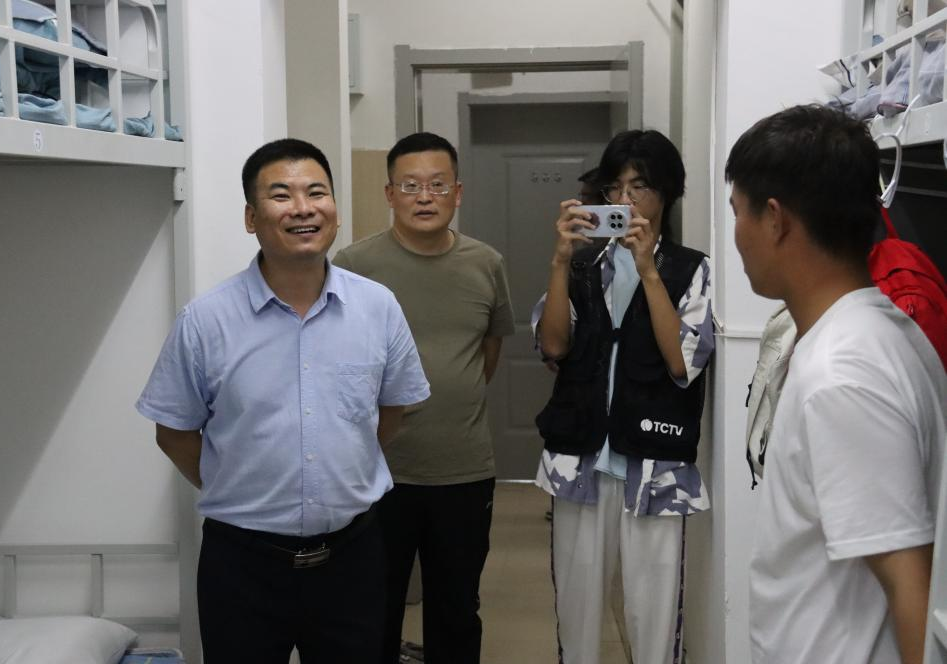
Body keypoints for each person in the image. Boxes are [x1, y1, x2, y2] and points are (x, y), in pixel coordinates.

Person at [135, 138, 431, 664]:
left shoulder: (377, 307)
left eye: (316, 192)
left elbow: (391, 413)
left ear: (335, 208)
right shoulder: (206, 320)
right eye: (281, 195)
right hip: (241, 565)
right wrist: (241, 482)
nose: (302, 208)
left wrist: (340, 468)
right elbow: (174, 432)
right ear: (252, 218)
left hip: (352, 559)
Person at [726, 104, 946, 664]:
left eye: (737, 212)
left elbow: (911, 584)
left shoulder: (843, 375)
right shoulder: (867, 331)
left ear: (774, 219)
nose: (736, 234)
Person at [333, 131, 515, 664]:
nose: (425, 197)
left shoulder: (486, 263)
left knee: (456, 607)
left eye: (437, 185)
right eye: (410, 186)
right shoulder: (353, 265)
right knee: (373, 606)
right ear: (390, 194)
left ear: (458, 192)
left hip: (463, 470)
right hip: (378, 472)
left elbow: (487, 354)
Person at [534, 130, 714, 664]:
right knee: (577, 611)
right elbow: (553, 346)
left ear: (667, 193)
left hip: (656, 464)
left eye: (639, 187)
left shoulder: (692, 269)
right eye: (615, 188)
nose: (625, 200)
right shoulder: (584, 265)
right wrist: (560, 261)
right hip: (580, 459)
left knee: (654, 619)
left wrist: (649, 272)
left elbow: (682, 362)